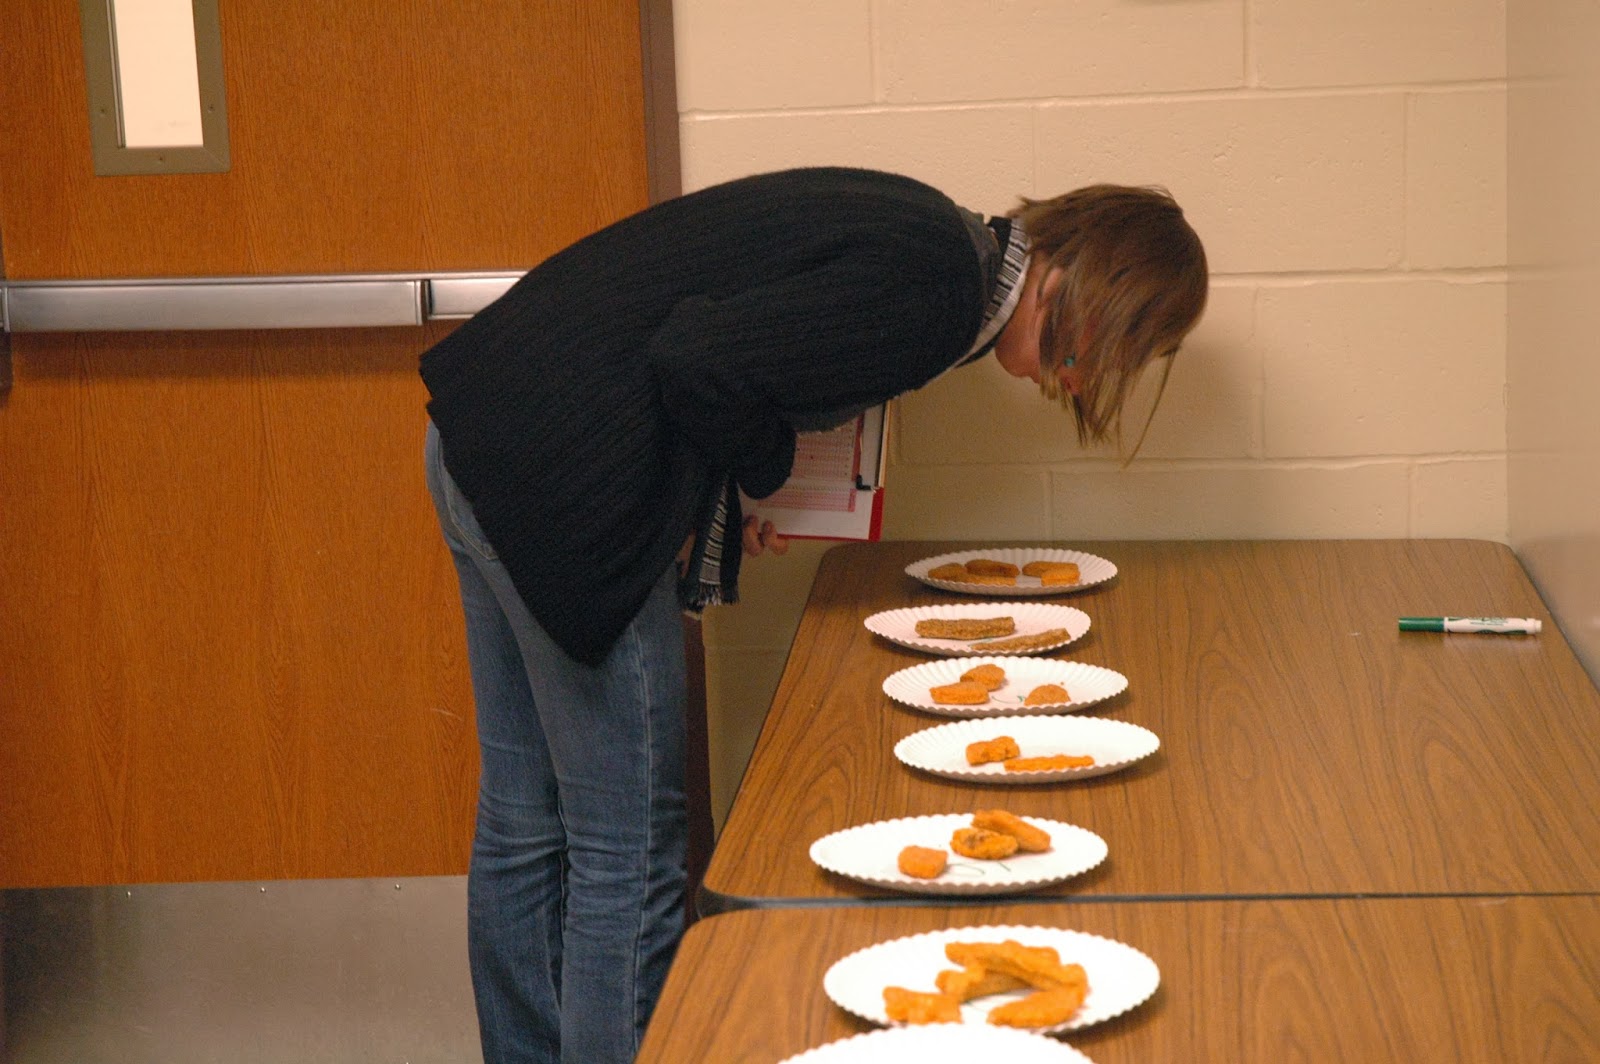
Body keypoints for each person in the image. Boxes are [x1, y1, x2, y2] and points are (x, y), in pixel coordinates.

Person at [418, 166, 1207, 1063]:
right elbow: (696, 362)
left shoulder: (938, 236)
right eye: (1096, 357)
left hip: (481, 436)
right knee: (627, 849)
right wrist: (762, 469)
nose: (1070, 386)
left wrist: (723, 493)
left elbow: (705, 352)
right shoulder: (939, 289)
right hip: (564, 486)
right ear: (1077, 290)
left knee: (526, 819)